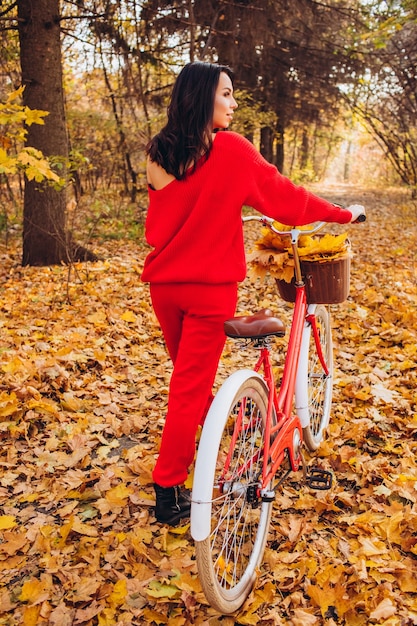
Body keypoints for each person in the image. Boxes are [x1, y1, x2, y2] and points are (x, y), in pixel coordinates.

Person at [141, 61, 365, 525]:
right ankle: (168, 488)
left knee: (187, 381)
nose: (234, 103)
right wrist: (342, 215)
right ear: (204, 97)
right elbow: (287, 199)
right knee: (188, 388)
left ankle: (237, 427)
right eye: (226, 94)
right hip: (209, 290)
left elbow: (159, 226)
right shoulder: (232, 151)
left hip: (164, 286)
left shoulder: (158, 153)